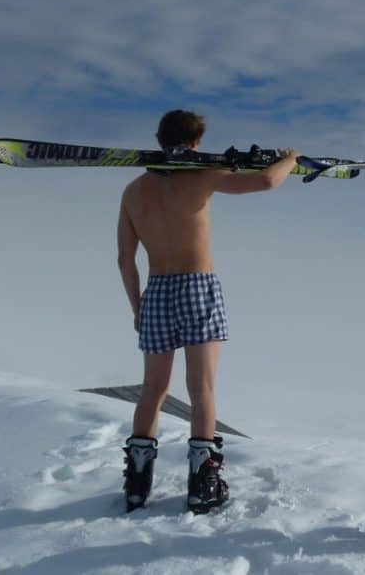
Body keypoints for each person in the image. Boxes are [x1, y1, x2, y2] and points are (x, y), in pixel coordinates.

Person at [117, 109, 300, 514]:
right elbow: (267, 181)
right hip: (197, 286)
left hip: (156, 292)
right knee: (202, 391)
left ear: (159, 139)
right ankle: (203, 484)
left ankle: (136, 484)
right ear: (196, 144)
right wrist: (290, 158)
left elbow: (125, 259)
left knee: (153, 390)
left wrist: (137, 306)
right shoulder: (201, 176)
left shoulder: (133, 191)